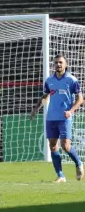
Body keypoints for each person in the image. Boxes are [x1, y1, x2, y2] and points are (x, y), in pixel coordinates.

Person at [30, 53, 84, 183]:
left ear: (66, 64)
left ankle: (78, 163)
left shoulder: (72, 80)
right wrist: (36, 108)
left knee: (65, 146)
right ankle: (60, 176)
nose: (58, 65)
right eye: (56, 63)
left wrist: (71, 111)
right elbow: (45, 96)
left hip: (65, 118)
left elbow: (80, 99)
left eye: (60, 62)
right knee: (53, 146)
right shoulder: (49, 80)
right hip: (51, 118)